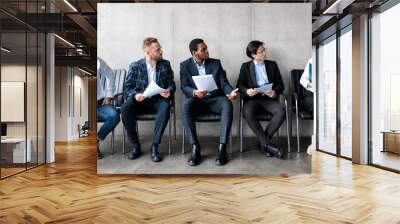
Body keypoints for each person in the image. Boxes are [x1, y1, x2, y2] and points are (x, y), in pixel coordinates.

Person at [180, 38, 238, 166]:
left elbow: (223, 82)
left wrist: (230, 92)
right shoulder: (185, 65)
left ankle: (222, 148)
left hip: (215, 100)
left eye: (206, 48)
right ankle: (195, 147)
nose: (207, 51)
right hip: (197, 101)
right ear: (194, 53)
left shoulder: (215, 63)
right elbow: (184, 86)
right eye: (203, 49)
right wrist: (195, 92)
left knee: (227, 104)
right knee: (185, 106)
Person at [121, 37, 176, 162]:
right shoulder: (135, 66)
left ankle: (155, 146)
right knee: (125, 108)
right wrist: (135, 95)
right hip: (140, 99)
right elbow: (127, 87)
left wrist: (168, 91)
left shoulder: (165, 64)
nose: (161, 51)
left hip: (158, 99)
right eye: (157, 50)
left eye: (160, 48)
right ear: (147, 51)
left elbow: (172, 84)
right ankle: (136, 145)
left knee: (166, 106)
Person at [236, 40, 286, 159]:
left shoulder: (272, 65)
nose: (264, 53)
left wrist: (274, 92)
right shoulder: (246, 67)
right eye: (261, 52)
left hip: (269, 99)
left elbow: (280, 85)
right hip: (253, 99)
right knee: (247, 111)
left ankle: (263, 143)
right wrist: (247, 91)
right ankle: (267, 145)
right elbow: (240, 85)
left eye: (264, 50)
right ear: (253, 54)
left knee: (281, 112)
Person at [97, 57, 120, 159]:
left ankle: (96, 141)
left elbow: (110, 74)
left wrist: (109, 95)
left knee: (114, 115)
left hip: (99, 104)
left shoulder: (97, 60)